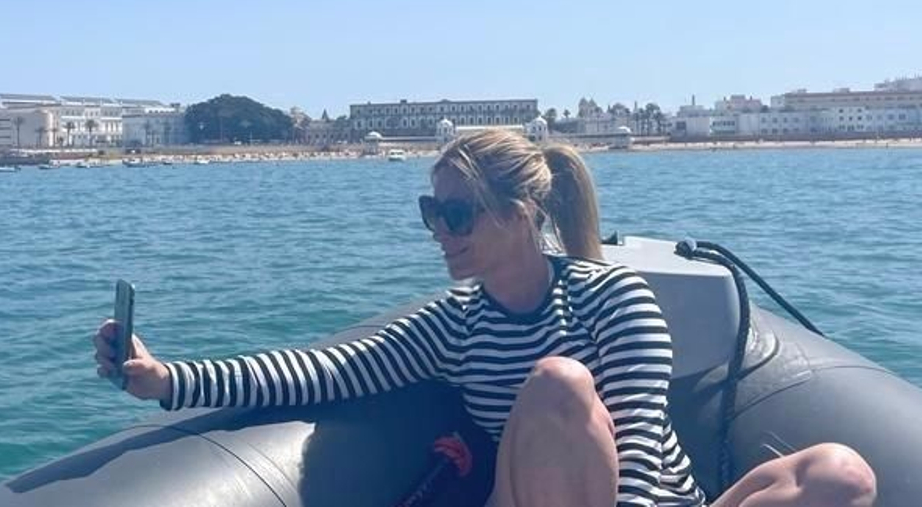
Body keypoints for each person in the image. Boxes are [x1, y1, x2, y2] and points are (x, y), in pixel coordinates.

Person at [94, 130, 876, 507]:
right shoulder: (456, 323)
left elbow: (637, 439)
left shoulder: (613, 297)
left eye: (458, 212)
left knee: (842, 471)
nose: (442, 230)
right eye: (432, 211)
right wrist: (167, 379)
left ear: (523, 211)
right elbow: (324, 369)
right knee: (558, 384)